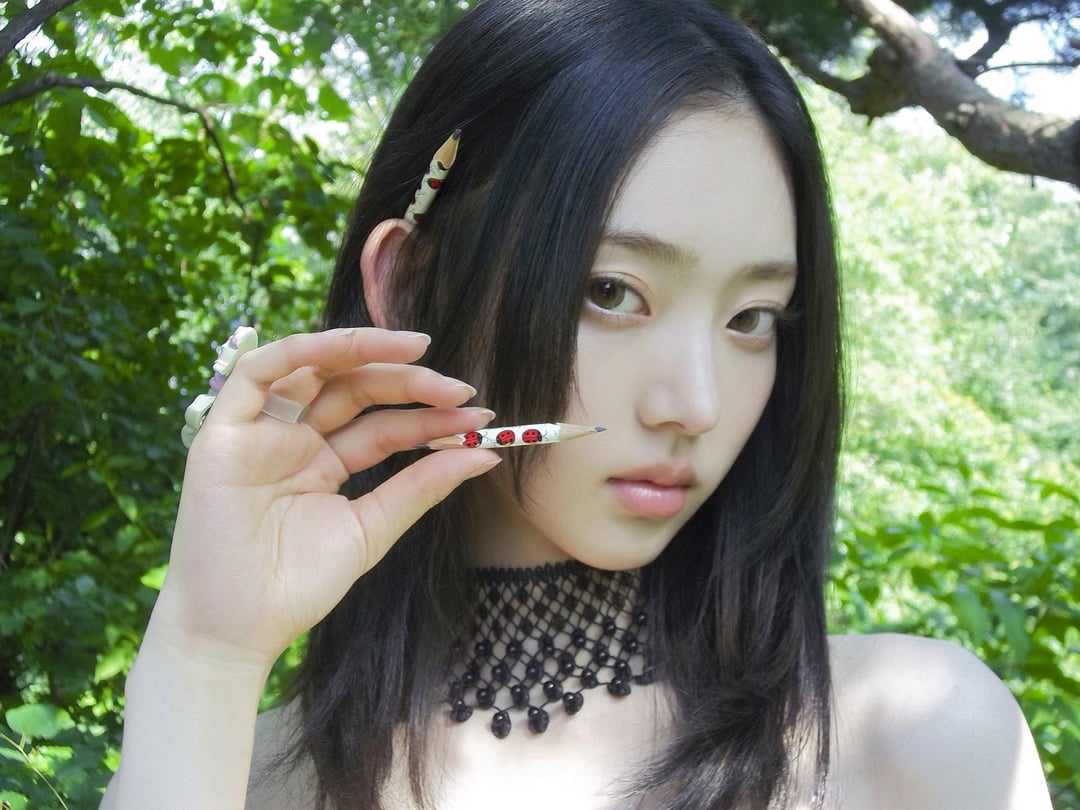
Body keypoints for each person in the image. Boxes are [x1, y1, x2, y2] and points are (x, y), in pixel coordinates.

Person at [100, 0, 1053, 807]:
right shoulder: (234, 767)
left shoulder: (915, 741)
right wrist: (205, 653)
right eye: (611, 292)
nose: (696, 405)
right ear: (411, 283)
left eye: (753, 318)